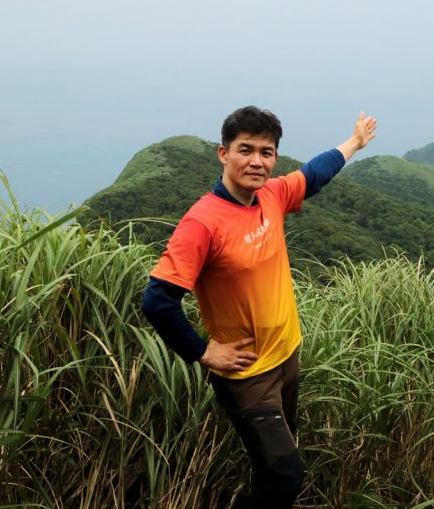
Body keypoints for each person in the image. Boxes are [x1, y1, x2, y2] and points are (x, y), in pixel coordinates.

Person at [141, 106, 377, 507]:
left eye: (266, 152)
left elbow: (315, 173)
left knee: (273, 466)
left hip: (286, 357)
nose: (256, 161)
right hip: (247, 375)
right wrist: (202, 351)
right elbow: (158, 300)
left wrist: (355, 141)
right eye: (244, 150)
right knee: (286, 477)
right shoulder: (202, 222)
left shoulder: (271, 196)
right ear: (223, 154)